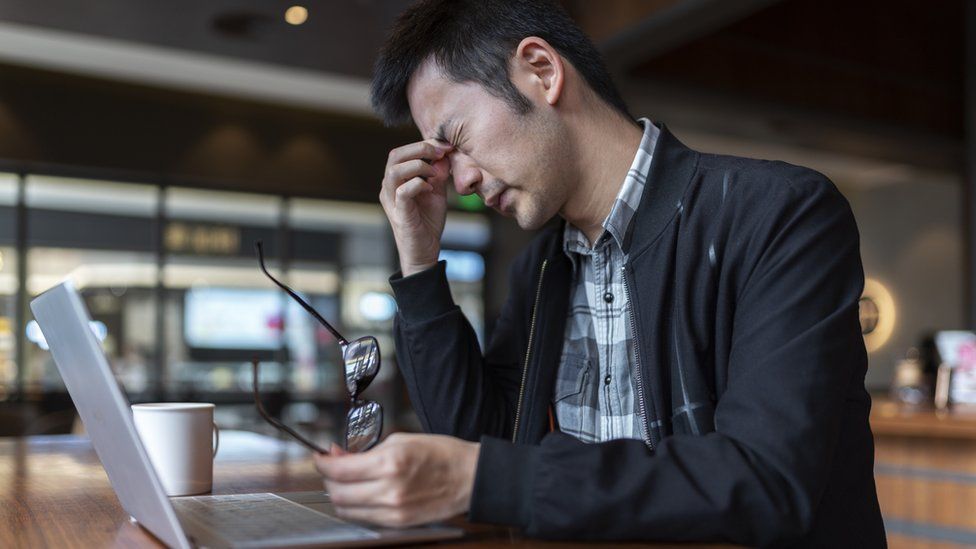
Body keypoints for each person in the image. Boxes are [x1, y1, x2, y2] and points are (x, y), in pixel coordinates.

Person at [314, 0, 886, 546]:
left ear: (540, 70)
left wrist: (487, 478)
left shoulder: (781, 214)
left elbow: (766, 478)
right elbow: (478, 442)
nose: (459, 181)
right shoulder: (542, 268)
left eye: (456, 140)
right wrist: (418, 264)